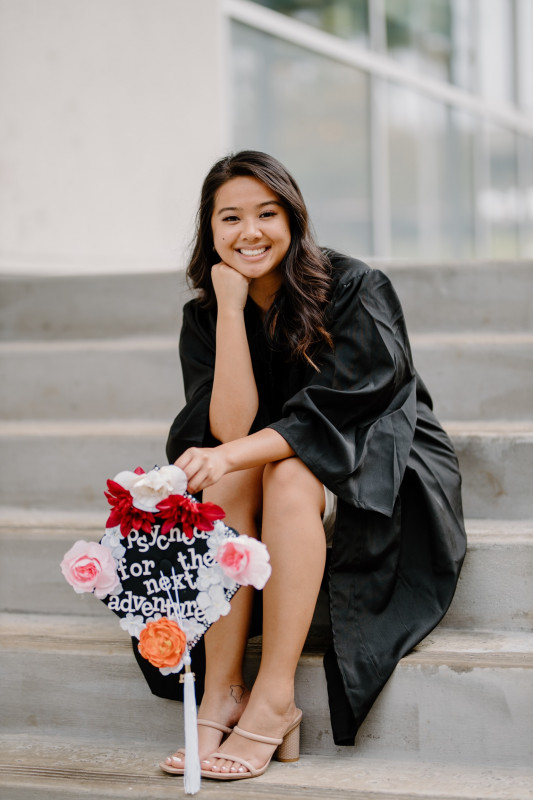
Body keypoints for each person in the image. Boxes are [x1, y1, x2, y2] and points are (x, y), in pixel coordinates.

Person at [161, 150, 466, 781]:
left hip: (376, 456)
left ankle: (275, 699)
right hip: (262, 464)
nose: (250, 232)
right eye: (230, 218)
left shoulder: (355, 286)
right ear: (209, 230)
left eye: (267, 213)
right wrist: (227, 309)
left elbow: (341, 413)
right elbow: (230, 429)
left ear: (294, 219)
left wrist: (228, 455)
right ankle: (222, 690)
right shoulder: (206, 314)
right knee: (241, 470)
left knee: (291, 468)